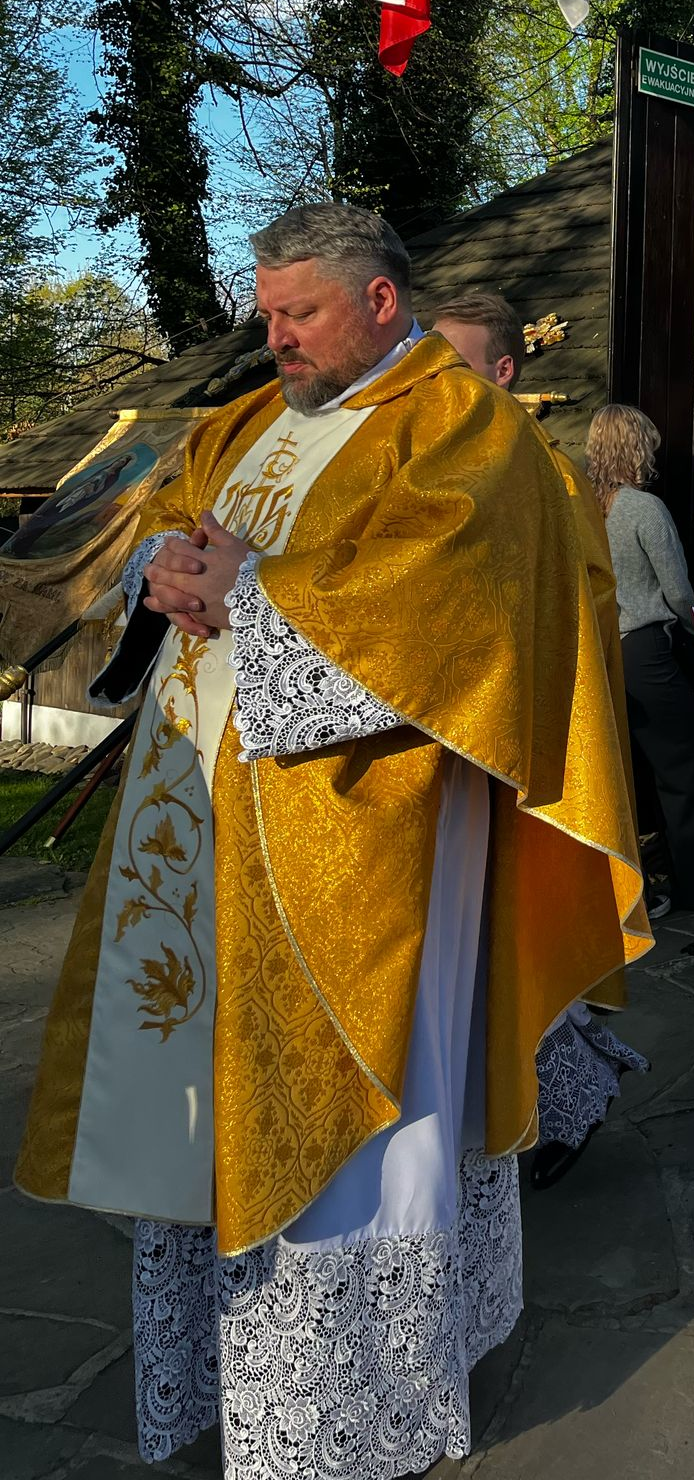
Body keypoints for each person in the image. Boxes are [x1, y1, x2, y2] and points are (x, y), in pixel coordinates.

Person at [16, 206, 646, 1479]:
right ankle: (232, 1379)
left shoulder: (460, 426)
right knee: (200, 1083)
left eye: (298, 311)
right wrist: (162, 569)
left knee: (355, 1109)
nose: (276, 336)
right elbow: (174, 516)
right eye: (268, 311)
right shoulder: (248, 418)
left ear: (378, 300)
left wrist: (250, 592)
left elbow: (447, 602)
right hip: (193, 829)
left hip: (364, 836)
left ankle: (354, 1415)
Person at [430, 290, 648, 1191]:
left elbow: (580, 608)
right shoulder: (430, 462)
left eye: (454, 364)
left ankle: (569, 1100)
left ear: (504, 369)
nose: (434, 382)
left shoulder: (544, 472)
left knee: (516, 946)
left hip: (521, 747)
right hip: (444, 741)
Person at [589, 403, 694, 912]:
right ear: (637, 449)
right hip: (647, 651)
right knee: (688, 766)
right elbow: (678, 593)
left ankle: (638, 882)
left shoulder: (584, 506)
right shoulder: (644, 508)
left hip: (604, 650)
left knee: (631, 773)